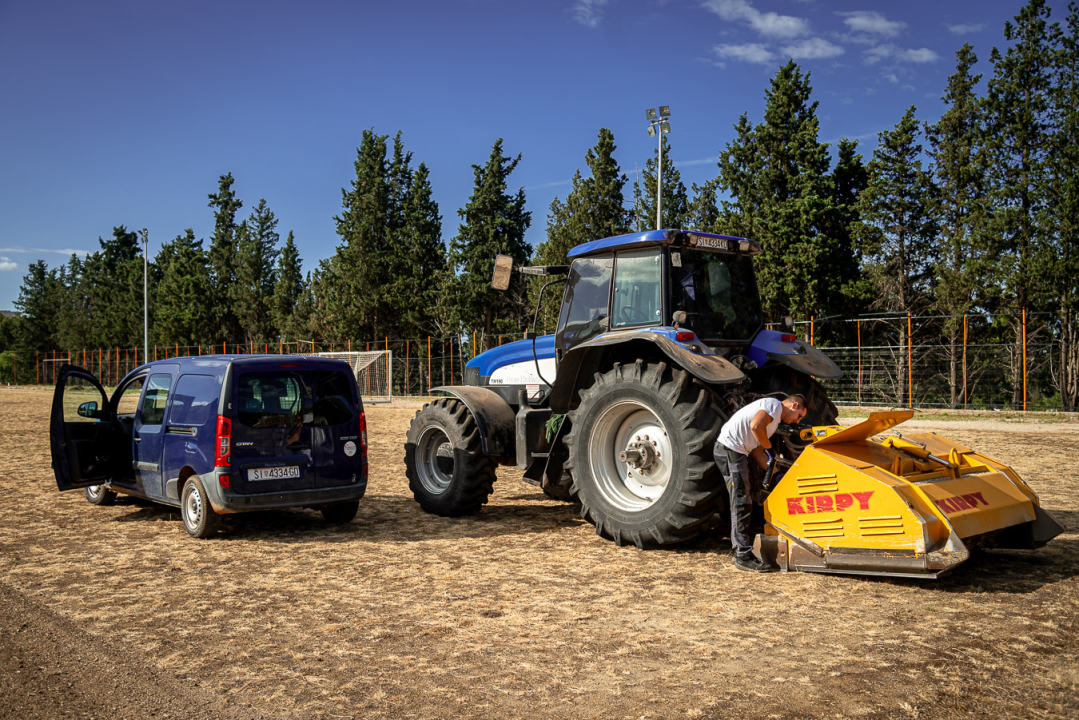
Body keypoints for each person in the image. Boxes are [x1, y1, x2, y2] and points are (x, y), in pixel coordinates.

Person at [715, 394, 807, 572]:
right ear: (794, 405)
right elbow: (755, 426)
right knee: (741, 501)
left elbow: (758, 451)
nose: (797, 421)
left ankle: (743, 550)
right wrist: (770, 450)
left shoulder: (774, 421)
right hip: (730, 450)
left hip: (739, 452)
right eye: (799, 416)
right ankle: (742, 555)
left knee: (745, 499)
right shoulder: (774, 405)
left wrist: (776, 475)